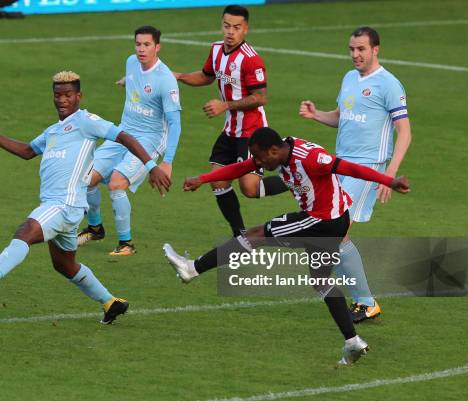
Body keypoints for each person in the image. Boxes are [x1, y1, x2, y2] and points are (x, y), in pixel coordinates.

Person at [163, 127, 410, 364]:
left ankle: (191, 268)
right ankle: (353, 341)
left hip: (322, 221)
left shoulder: (310, 157)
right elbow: (242, 166)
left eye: (260, 158)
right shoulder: (278, 153)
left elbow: (350, 168)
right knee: (321, 281)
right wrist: (203, 179)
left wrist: (389, 181)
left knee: (256, 234)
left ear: (272, 150)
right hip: (331, 221)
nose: (258, 165)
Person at [0, 71, 170, 324]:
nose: (62, 100)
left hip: (62, 204)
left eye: (68, 95)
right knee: (64, 265)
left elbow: (124, 136)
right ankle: (110, 302)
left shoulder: (86, 121)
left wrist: (151, 166)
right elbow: (27, 151)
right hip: (67, 209)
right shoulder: (52, 132)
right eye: (57, 95)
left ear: (78, 96)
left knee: (26, 231)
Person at [299, 26, 412, 323]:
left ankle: (365, 301)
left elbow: (405, 132)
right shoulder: (349, 78)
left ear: (376, 49)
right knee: (330, 230)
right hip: (340, 167)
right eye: (351, 49)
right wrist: (316, 115)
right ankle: (363, 300)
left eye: (361, 49)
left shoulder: (389, 85)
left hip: (367, 169)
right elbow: (341, 117)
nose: (355, 55)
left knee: (335, 232)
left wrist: (390, 173)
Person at [77, 25, 181, 256]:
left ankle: (126, 244)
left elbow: (175, 123)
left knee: (116, 184)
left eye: (147, 45)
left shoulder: (166, 80)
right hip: (123, 133)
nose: (141, 49)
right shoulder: (131, 63)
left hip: (150, 140)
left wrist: (168, 162)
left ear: (157, 47)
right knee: (86, 177)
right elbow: (138, 78)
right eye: (138, 44)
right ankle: (95, 228)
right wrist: (128, 80)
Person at [173, 5, 274, 238]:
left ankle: (292, 180)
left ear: (245, 29)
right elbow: (207, 76)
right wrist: (179, 76)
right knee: (218, 182)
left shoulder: (251, 60)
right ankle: (240, 235)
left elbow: (261, 98)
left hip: (252, 132)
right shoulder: (216, 50)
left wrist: (225, 105)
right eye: (226, 26)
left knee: (249, 188)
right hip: (230, 130)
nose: (230, 32)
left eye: (236, 27)